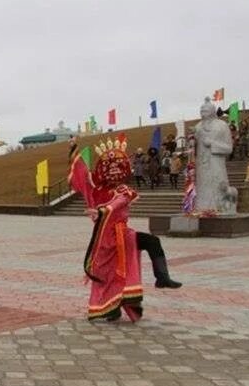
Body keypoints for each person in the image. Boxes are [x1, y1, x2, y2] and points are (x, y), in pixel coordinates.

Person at [69, 133, 181, 323]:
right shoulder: (96, 190)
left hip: (123, 234)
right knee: (109, 275)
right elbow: (81, 175)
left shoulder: (122, 189)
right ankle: (111, 308)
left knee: (151, 241)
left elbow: (122, 200)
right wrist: (73, 150)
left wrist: (105, 209)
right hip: (106, 238)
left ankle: (162, 277)